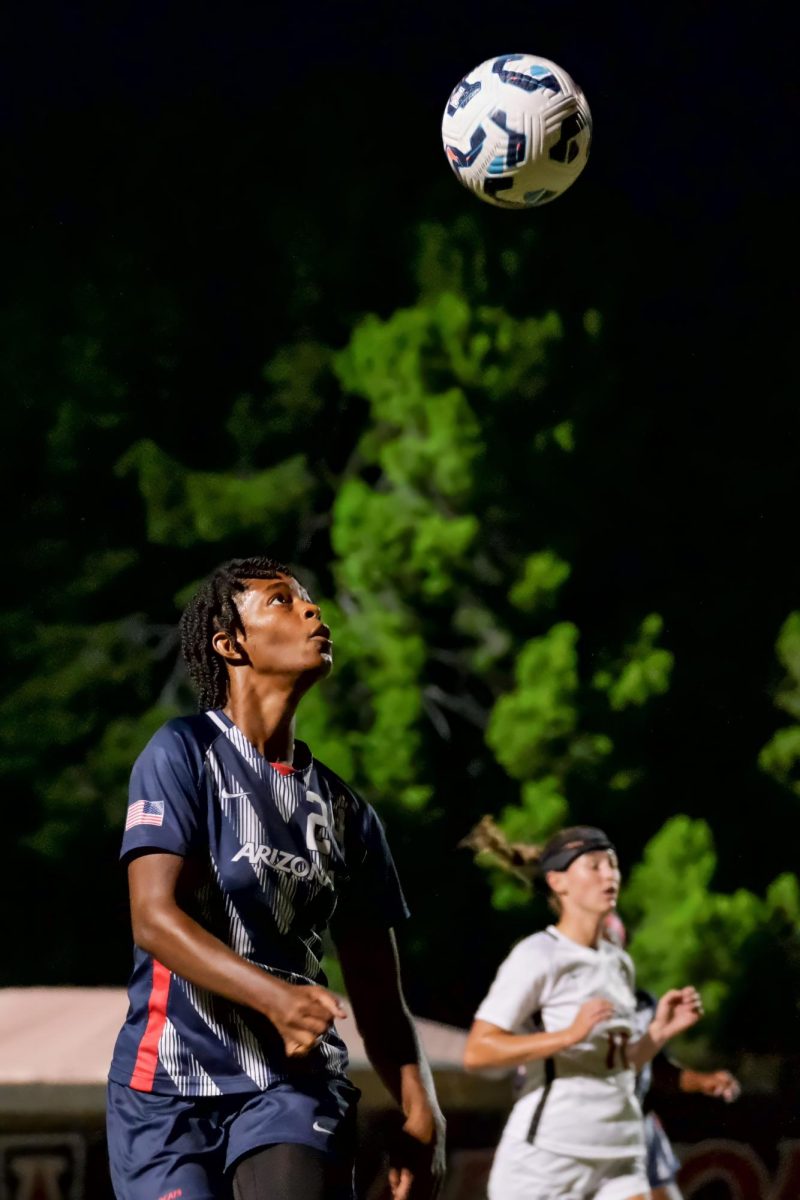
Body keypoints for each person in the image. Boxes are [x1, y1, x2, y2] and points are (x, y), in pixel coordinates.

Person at [106, 556, 446, 1200]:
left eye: (310, 600)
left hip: (290, 1084)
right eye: (281, 601)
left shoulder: (347, 814)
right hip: (164, 1091)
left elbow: (377, 991)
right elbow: (152, 918)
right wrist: (275, 998)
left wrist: (422, 1106)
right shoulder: (182, 752)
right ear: (230, 643)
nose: (311, 611)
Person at [460, 816, 704, 1200]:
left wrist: (660, 1031)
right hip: (547, 1156)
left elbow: (620, 1061)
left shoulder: (618, 962)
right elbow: (478, 1052)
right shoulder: (538, 955)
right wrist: (567, 1036)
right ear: (559, 882)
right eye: (595, 866)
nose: (611, 875)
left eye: (613, 864)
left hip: (619, 1151)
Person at [604, 913, 741, 1200]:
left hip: (640, 1127)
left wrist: (704, 1081)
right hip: (590, 1132)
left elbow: (660, 1072)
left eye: (615, 943)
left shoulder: (642, 1005)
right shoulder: (561, 1001)